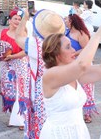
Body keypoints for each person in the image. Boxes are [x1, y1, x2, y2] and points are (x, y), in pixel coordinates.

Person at [39, 23, 101, 138]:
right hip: (57, 134)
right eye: (68, 47)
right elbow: (82, 65)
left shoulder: (75, 75)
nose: (73, 50)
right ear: (56, 54)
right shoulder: (50, 75)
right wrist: (97, 36)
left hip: (78, 131)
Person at [15, 9, 66, 138]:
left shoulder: (35, 45)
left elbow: (18, 37)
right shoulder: (64, 45)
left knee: (39, 125)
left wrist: (25, 18)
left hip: (40, 92)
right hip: (60, 91)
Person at [65, 13, 97, 123]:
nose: (65, 21)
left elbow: (87, 49)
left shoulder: (81, 34)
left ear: (72, 22)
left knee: (86, 89)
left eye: (67, 20)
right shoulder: (67, 32)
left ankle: (88, 114)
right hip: (72, 65)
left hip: (83, 64)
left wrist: (74, 54)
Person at [0, 9, 29, 130]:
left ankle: (22, 119)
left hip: (20, 64)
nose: (17, 21)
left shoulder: (23, 33)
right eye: (15, 19)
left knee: (20, 91)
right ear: (10, 20)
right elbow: (0, 47)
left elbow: (25, 51)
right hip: (7, 66)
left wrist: (12, 56)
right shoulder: (4, 32)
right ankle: (13, 116)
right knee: (9, 91)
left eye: (19, 19)